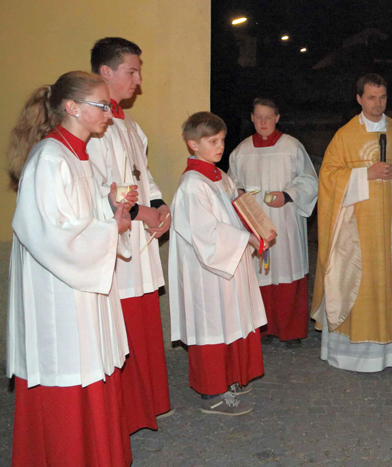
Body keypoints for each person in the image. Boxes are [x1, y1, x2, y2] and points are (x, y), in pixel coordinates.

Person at [6, 71, 137, 466]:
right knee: (68, 369)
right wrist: (111, 226)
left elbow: (82, 214)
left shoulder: (76, 153)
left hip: (83, 284)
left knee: (92, 364)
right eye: (101, 106)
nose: (109, 115)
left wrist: (110, 205)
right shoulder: (49, 158)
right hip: (59, 292)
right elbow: (48, 232)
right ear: (71, 108)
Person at [312, 73, 392, 372]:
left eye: (383, 97)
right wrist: (365, 174)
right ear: (359, 99)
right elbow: (327, 178)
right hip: (355, 231)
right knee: (354, 283)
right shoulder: (345, 136)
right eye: (372, 98)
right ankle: (349, 353)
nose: (378, 104)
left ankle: (390, 352)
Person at [87, 37, 173, 433]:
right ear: (105, 72)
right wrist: (142, 211)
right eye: (131, 72)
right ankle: (125, 411)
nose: (138, 81)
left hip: (139, 236)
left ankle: (147, 404)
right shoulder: (95, 128)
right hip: (118, 238)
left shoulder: (129, 125)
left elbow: (144, 175)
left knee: (143, 322)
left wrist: (162, 206)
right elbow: (100, 187)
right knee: (123, 326)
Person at [169, 111, 275, 415]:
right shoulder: (192, 184)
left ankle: (232, 376)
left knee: (233, 319)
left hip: (229, 264)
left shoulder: (218, 174)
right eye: (212, 141)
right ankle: (212, 392)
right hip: (208, 270)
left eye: (222, 140)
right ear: (192, 144)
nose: (220, 146)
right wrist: (246, 240)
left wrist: (258, 225)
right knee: (213, 324)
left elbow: (235, 210)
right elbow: (206, 233)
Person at [228, 98, 318, 348]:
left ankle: (292, 331)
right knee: (260, 275)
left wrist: (287, 195)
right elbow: (231, 185)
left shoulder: (292, 147)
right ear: (252, 118)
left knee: (287, 271)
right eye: (258, 117)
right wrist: (241, 194)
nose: (264, 122)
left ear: (277, 117)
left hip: (285, 221)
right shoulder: (241, 151)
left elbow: (310, 180)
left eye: (269, 117)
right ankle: (263, 329)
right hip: (255, 222)